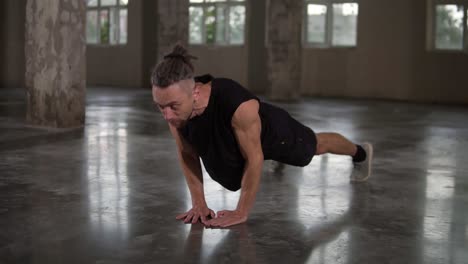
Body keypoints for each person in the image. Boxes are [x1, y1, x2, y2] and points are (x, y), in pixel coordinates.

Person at [151, 44, 373, 228]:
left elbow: (254, 157)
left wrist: (241, 211)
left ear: (195, 92)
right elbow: (187, 153)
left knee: (315, 146)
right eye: (161, 107)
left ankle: (361, 152)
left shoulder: (236, 103)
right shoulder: (177, 109)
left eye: (172, 106)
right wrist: (199, 203)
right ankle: (276, 160)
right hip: (239, 137)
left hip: (273, 133)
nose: (167, 115)